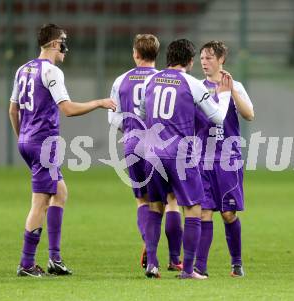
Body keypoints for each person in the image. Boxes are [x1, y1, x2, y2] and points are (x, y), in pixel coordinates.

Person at [9, 23, 116, 277]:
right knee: (40, 202)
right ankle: (26, 264)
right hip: (43, 143)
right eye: (64, 42)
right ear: (56, 43)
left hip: (28, 140)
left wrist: (23, 138)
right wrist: (99, 102)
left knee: (60, 192)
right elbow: (67, 109)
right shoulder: (51, 71)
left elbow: (13, 110)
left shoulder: (23, 69)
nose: (67, 47)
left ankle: (55, 259)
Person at [140, 39, 232, 279]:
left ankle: (152, 264)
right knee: (193, 209)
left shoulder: (151, 80)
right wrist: (223, 95)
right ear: (190, 61)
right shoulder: (191, 83)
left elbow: (141, 112)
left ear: (168, 58)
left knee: (155, 207)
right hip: (181, 154)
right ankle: (188, 270)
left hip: (152, 153)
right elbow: (218, 118)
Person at [108, 34, 183, 271]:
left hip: (132, 143)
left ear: (135, 53)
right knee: (171, 199)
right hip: (160, 145)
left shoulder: (120, 81)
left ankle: (151, 256)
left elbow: (114, 118)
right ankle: (174, 260)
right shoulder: (164, 79)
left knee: (143, 200)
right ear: (156, 53)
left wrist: (130, 129)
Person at [194, 41, 254, 277]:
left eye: (209, 58)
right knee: (204, 212)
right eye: (201, 58)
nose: (204, 62)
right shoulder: (197, 87)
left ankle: (237, 263)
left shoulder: (235, 85)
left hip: (228, 159)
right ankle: (201, 267)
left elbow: (249, 114)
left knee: (228, 214)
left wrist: (232, 92)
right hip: (202, 159)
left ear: (221, 60)